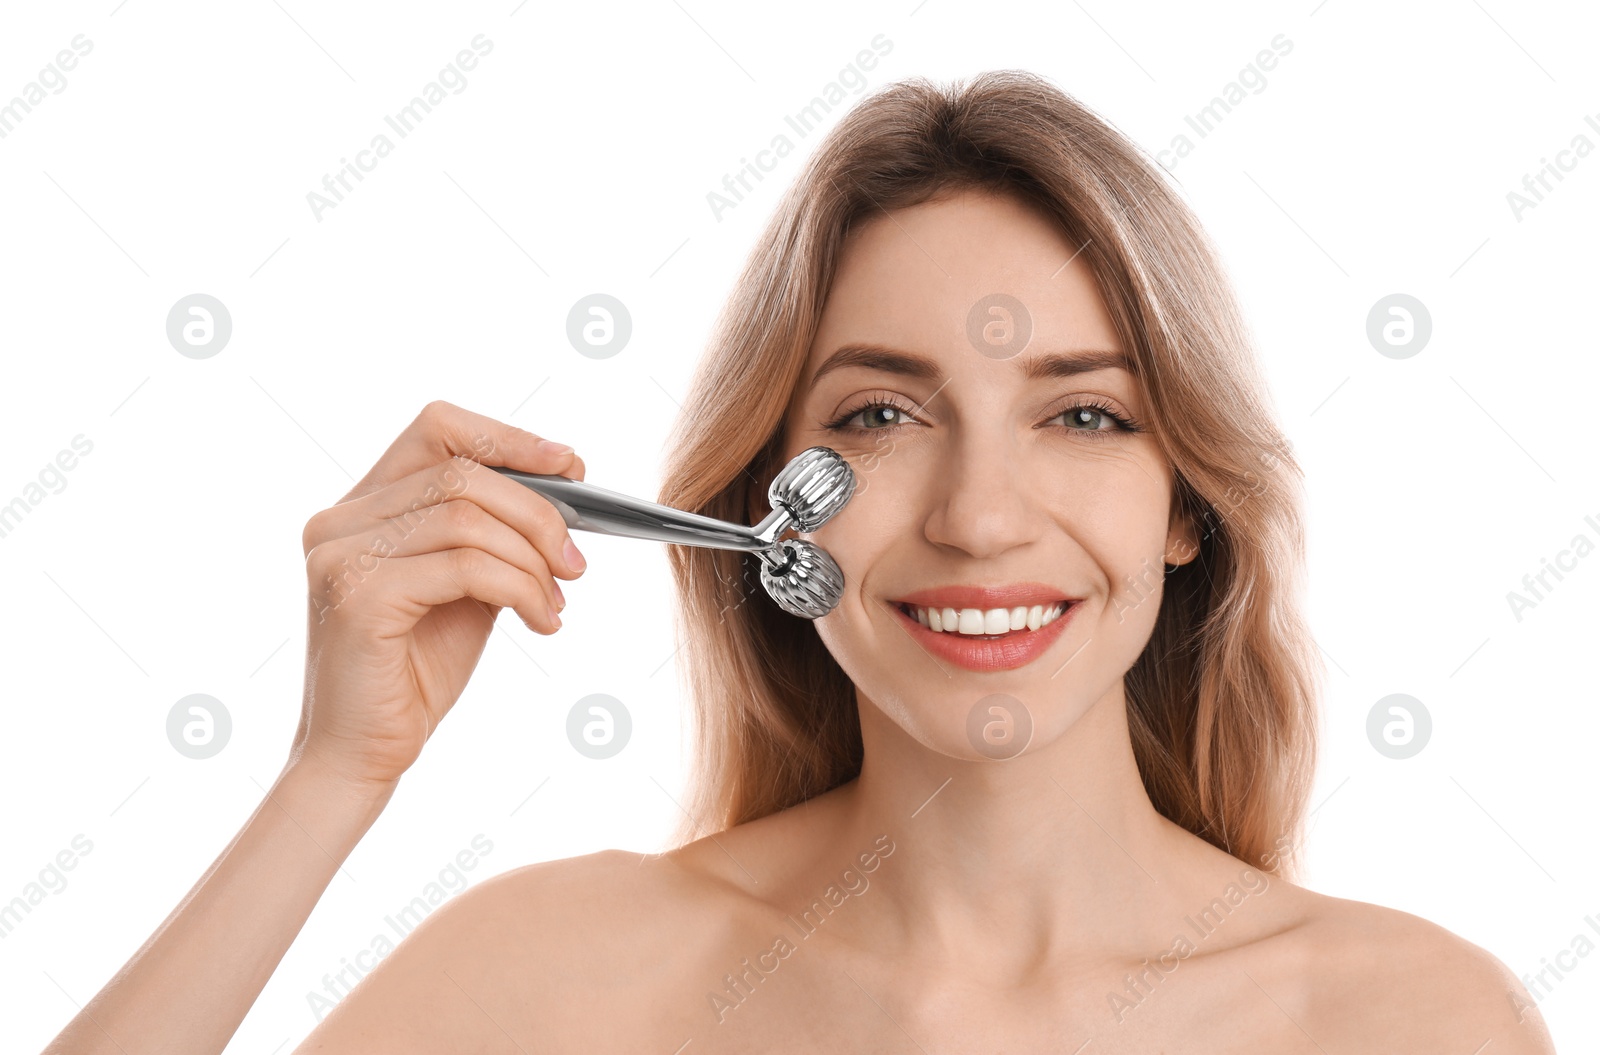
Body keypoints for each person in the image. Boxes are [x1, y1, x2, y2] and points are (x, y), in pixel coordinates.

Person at [44, 70, 1556, 1053]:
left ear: (1187, 506)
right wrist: (332, 779)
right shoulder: (566, 976)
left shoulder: (1404, 1019)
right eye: (882, 416)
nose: (977, 516)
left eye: (1085, 414)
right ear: (774, 503)